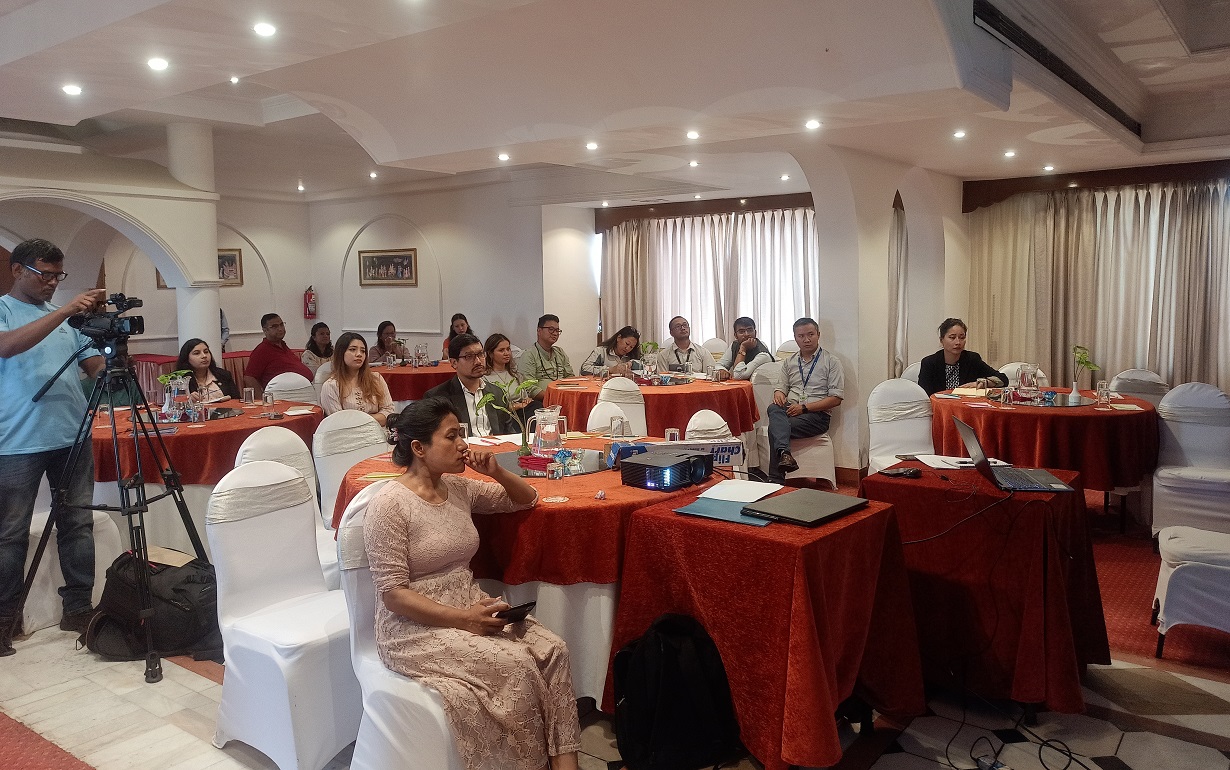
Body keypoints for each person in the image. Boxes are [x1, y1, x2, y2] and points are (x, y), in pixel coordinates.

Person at [364, 399, 580, 770]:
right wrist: (465, 620)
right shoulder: (389, 505)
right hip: (412, 628)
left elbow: (526, 499)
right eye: (451, 437)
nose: (463, 444)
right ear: (418, 448)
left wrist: (496, 472)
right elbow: (394, 595)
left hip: (469, 603)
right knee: (516, 664)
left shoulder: (458, 488)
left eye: (461, 434)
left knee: (554, 649)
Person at [0, 239, 107, 653]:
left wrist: (110, 347)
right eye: (44, 274)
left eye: (57, 276)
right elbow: (8, 345)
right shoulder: (6, 310)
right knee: (10, 533)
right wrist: (64, 311)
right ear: (17, 270)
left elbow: (93, 366)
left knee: (77, 524)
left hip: (72, 436)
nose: (52, 283)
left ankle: (77, 608)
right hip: (17, 441)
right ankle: (6, 620)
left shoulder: (67, 320)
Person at [767, 318, 844, 480]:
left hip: (817, 416)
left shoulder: (831, 362)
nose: (806, 340)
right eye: (801, 336)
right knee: (773, 408)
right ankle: (785, 455)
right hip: (791, 409)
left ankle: (775, 478)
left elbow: (836, 399)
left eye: (810, 334)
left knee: (776, 428)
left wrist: (804, 408)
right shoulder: (789, 362)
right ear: (795, 338)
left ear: (818, 335)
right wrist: (779, 393)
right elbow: (781, 387)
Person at [425, 334, 514, 437]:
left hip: (496, 446)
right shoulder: (438, 397)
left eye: (480, 354)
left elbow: (509, 434)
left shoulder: (497, 393)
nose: (478, 361)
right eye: (469, 356)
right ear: (454, 363)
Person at [917, 318, 1007, 396]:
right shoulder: (929, 363)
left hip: (966, 407)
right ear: (941, 340)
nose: (958, 342)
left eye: (962, 337)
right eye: (952, 337)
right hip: (939, 408)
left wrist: (984, 383)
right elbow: (923, 396)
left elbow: (1003, 379)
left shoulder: (972, 359)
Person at [320, 332, 395, 426]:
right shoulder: (331, 386)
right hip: (347, 434)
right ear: (341, 353)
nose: (359, 354)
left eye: (363, 351)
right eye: (352, 349)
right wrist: (374, 418)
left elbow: (389, 413)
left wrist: (359, 420)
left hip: (379, 432)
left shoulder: (376, 379)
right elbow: (340, 423)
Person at [243, 313, 312, 392]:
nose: (280, 329)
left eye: (281, 325)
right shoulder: (262, 350)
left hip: (303, 391)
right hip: (283, 395)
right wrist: (262, 398)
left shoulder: (283, 346)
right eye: (274, 326)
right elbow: (249, 378)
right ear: (265, 330)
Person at [483, 333, 541, 417]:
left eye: (508, 349)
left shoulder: (515, 374)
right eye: (501, 350)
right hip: (504, 414)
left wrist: (527, 400)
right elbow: (493, 406)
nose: (506, 353)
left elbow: (524, 397)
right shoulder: (485, 378)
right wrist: (516, 406)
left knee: (537, 406)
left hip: (521, 411)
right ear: (490, 354)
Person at [520, 314, 573, 398]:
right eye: (551, 329)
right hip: (543, 400)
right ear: (539, 331)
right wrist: (552, 397)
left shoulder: (560, 352)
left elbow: (570, 377)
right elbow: (528, 386)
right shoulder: (529, 355)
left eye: (557, 330)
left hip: (565, 396)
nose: (555, 333)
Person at [715, 316, 775, 380]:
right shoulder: (735, 345)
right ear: (735, 336)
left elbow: (739, 376)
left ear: (755, 333)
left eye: (750, 330)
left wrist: (743, 348)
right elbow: (719, 365)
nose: (746, 334)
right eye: (741, 331)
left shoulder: (763, 354)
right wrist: (722, 370)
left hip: (760, 386)